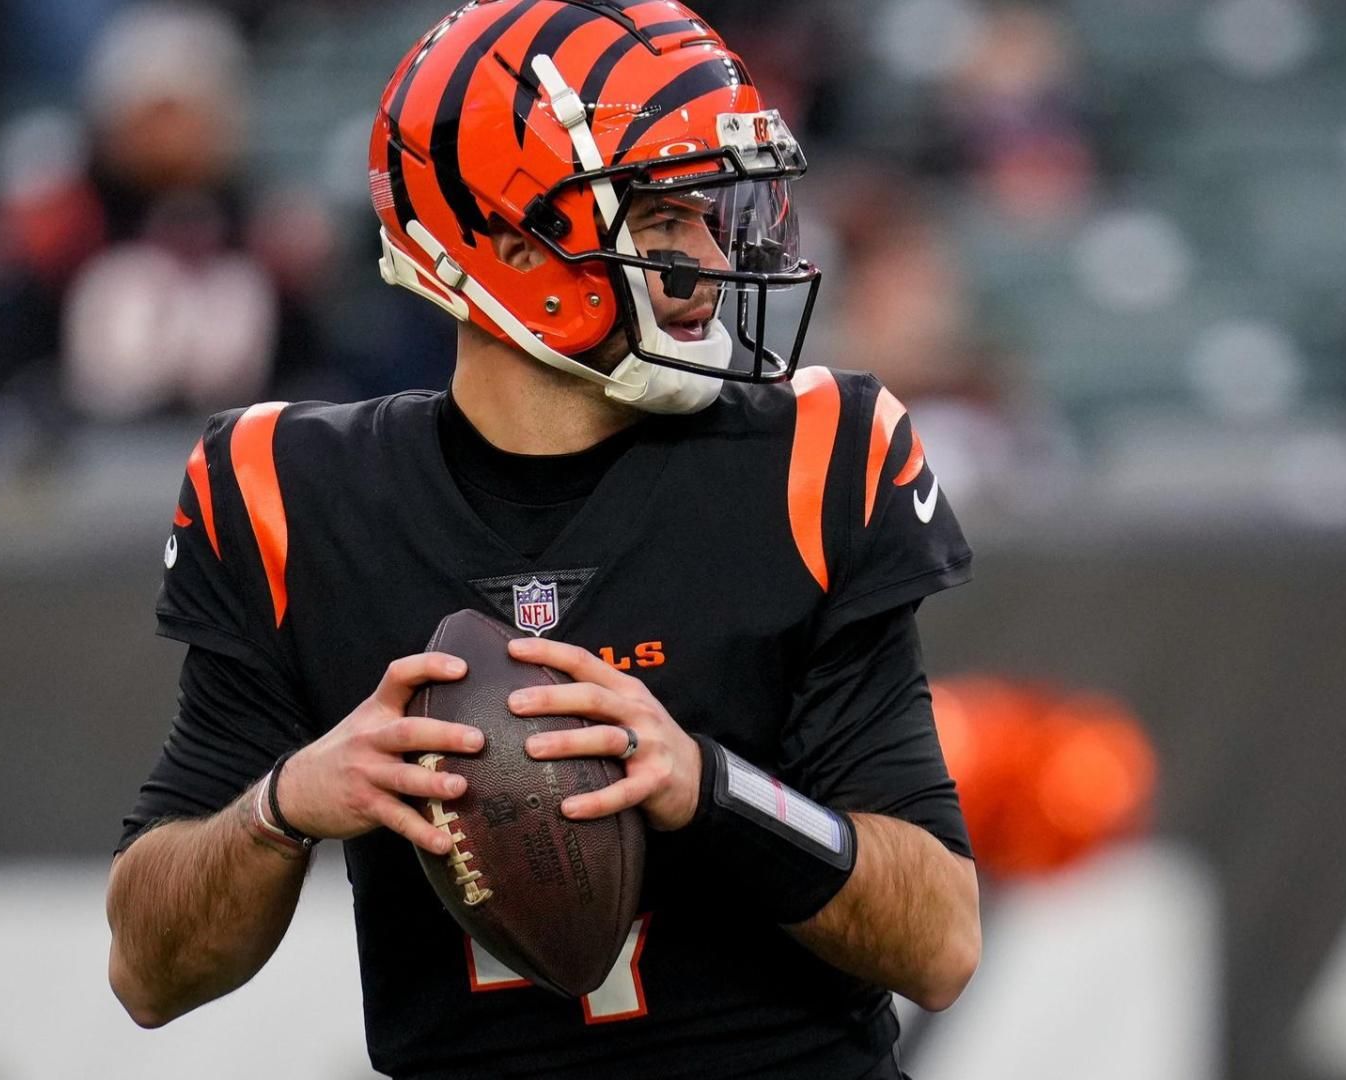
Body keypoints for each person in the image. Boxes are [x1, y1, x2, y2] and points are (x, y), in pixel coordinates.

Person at [103, 3, 981, 1078]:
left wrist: (712, 789)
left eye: (710, 214)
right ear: (515, 245)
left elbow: (940, 940)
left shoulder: (811, 459)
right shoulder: (295, 497)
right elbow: (148, 973)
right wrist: (283, 806)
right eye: (662, 223)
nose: (709, 258)